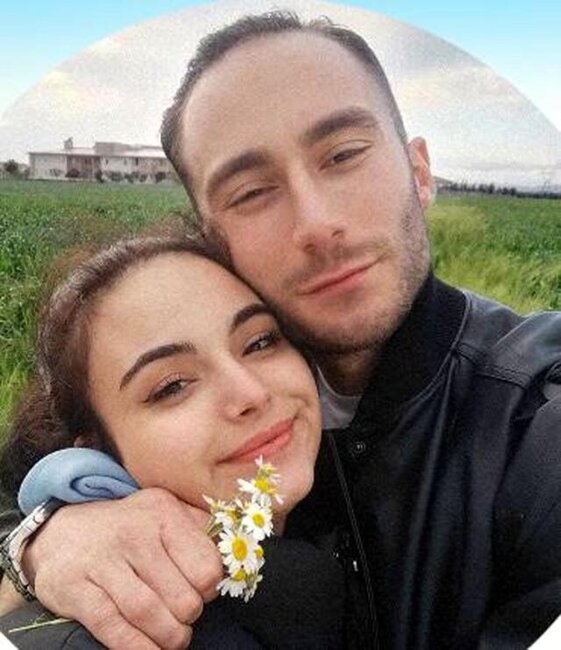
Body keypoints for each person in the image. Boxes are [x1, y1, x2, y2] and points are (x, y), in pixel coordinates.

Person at [2, 10, 561, 650]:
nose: (317, 224)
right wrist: (37, 538)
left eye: (344, 155)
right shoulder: (243, 409)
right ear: (213, 239)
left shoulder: (535, 417)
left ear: (420, 172)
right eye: (250, 191)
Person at [0, 235, 355, 648]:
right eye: (173, 386)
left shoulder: (363, 474)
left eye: (259, 342)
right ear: (97, 452)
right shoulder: (88, 635)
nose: (251, 394)